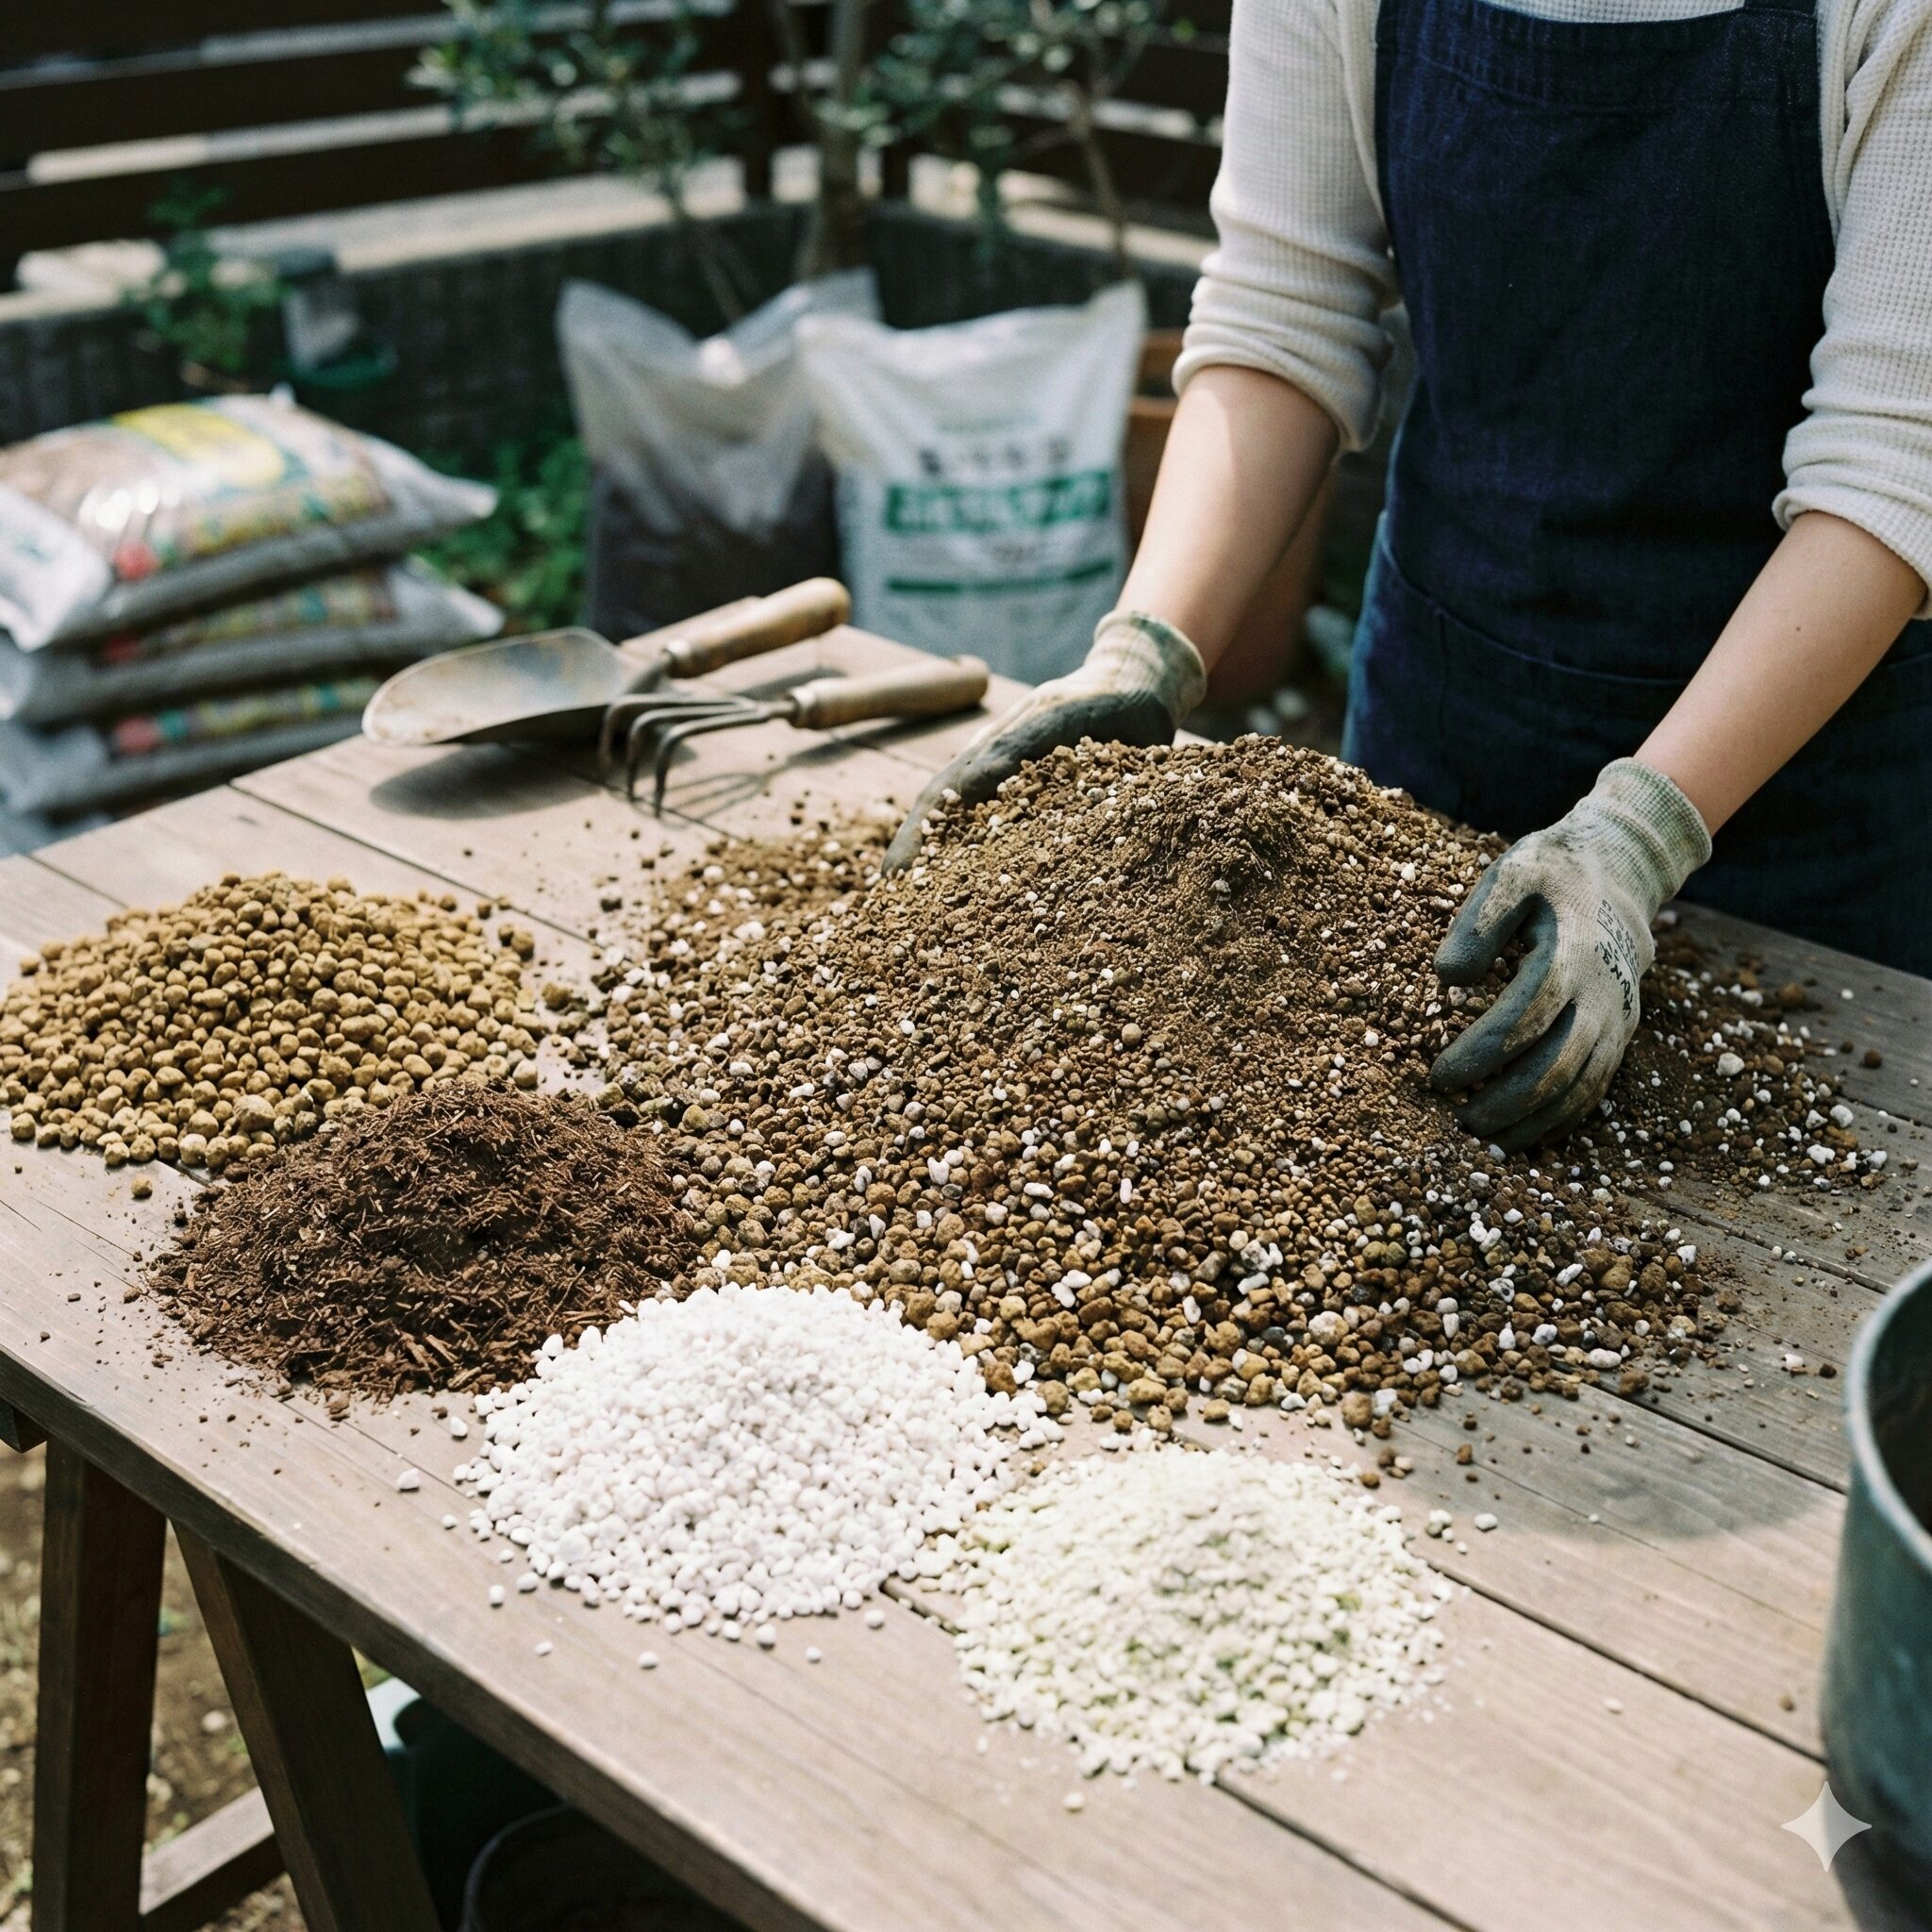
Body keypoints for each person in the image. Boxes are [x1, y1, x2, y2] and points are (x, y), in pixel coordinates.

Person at [885, 0, 1932, 1151]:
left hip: (1809, 783)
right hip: (1444, 713)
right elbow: (1282, 308)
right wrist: (1144, 644)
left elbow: (1892, 463)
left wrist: (1634, 837)